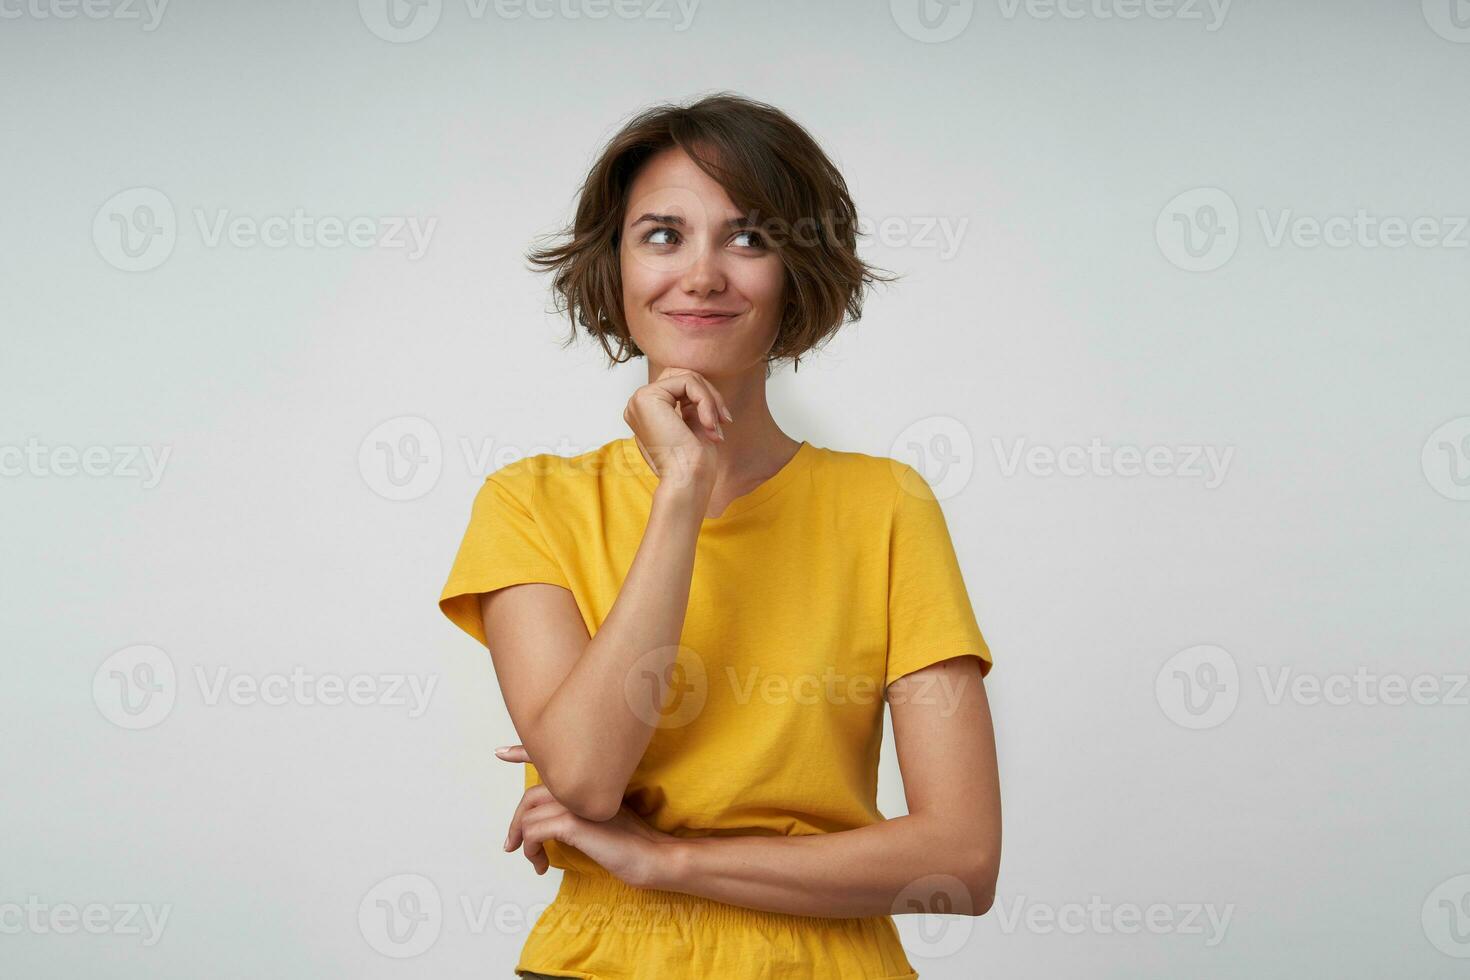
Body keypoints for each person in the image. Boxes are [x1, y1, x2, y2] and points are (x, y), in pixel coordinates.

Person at [439, 91, 1000, 980]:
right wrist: (683, 492)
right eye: (662, 234)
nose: (701, 274)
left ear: (797, 271)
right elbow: (585, 778)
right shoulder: (529, 503)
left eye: (749, 238)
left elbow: (962, 863)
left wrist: (670, 862)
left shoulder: (887, 507)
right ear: (614, 266)